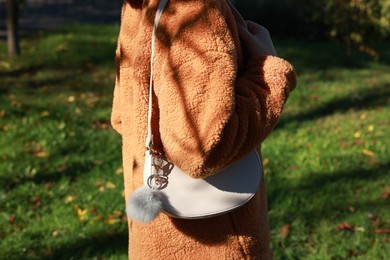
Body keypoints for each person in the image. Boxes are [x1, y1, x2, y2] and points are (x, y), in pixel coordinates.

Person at [110, 0, 296, 258]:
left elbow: (122, 116)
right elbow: (200, 148)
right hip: (218, 243)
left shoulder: (141, 5)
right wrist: (268, 73)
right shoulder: (196, 9)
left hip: (156, 238)